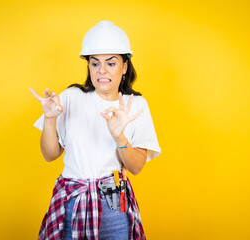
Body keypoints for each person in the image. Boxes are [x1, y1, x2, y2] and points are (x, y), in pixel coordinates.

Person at [29, 21, 161, 240]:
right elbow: (49, 155)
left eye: (111, 63)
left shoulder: (136, 105)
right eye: (94, 63)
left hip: (114, 206)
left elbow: (136, 167)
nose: (102, 71)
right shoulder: (71, 98)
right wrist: (50, 119)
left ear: (125, 66)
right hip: (71, 201)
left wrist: (119, 136)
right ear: (88, 66)